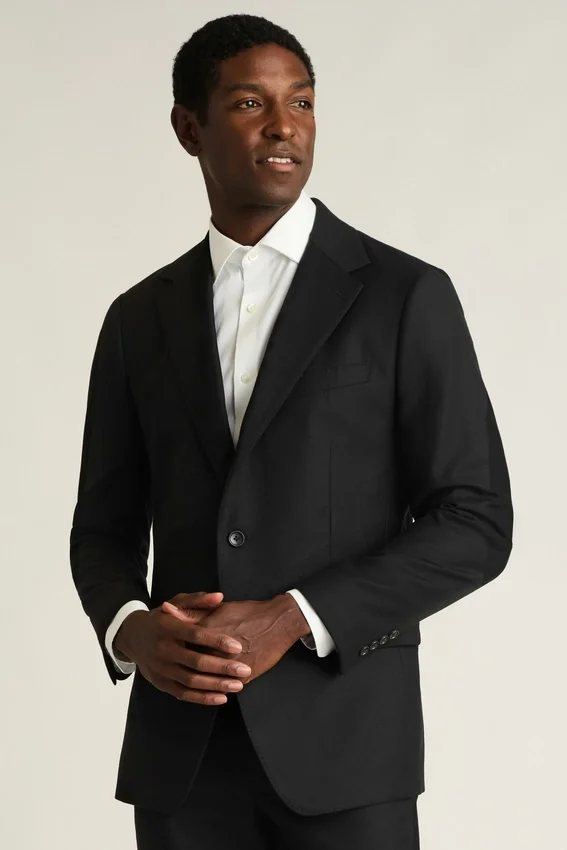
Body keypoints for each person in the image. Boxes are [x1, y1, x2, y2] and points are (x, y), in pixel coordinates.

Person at [69, 13, 514, 850]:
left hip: (347, 751)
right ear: (188, 128)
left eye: (301, 102)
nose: (283, 126)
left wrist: (294, 616)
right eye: (250, 103)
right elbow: (102, 528)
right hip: (183, 758)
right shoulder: (137, 318)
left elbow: (475, 520)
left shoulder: (402, 296)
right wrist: (132, 628)